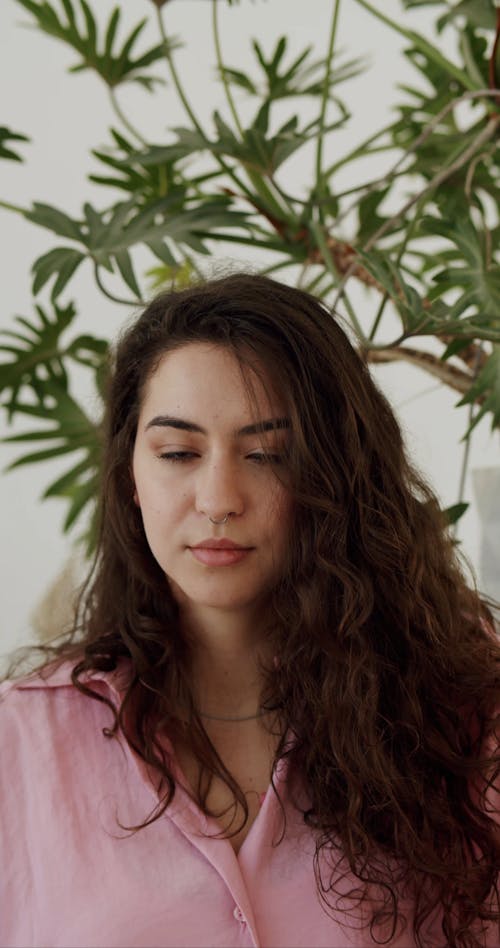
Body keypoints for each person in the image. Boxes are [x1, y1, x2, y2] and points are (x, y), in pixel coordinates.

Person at [0, 272, 498, 948]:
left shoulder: (466, 719)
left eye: (267, 454)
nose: (218, 498)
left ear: (333, 474)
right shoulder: (21, 744)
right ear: (129, 477)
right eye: (178, 453)